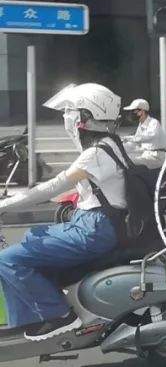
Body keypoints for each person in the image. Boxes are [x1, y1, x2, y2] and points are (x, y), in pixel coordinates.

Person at [0, 83, 126, 340]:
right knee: (32, 238)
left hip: (94, 229)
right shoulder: (107, 146)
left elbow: (52, 186)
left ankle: (58, 316)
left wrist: (4, 205)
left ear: (86, 117)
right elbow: (77, 187)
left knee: (8, 259)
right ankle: (32, 316)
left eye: (69, 112)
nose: (65, 117)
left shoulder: (95, 154)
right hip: (93, 223)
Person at [121, 98, 166, 168]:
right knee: (123, 159)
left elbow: (148, 137)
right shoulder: (141, 125)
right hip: (147, 154)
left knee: (128, 161)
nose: (131, 113)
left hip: (157, 157)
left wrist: (129, 138)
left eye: (134, 111)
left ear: (142, 111)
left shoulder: (154, 122)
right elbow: (135, 144)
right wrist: (120, 146)